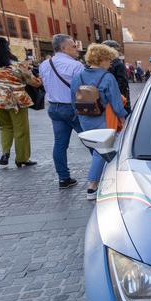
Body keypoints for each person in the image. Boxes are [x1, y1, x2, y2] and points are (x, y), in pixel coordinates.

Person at [71, 43, 129, 201]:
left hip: (84, 118)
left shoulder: (78, 77)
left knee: (97, 149)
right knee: (101, 150)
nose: (110, 63)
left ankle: (101, 177)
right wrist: (123, 120)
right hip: (103, 118)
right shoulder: (107, 77)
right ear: (101, 59)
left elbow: (73, 101)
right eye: (109, 59)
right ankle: (92, 186)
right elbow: (116, 103)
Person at [0, 37, 43, 167]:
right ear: (7, 48)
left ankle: (5, 152)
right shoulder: (16, 65)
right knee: (21, 130)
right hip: (16, 100)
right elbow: (34, 82)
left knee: (5, 127)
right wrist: (39, 78)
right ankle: (22, 158)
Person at [39, 34, 86, 188]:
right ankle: (101, 174)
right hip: (72, 107)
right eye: (73, 46)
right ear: (64, 48)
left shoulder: (44, 64)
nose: (77, 49)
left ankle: (63, 178)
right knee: (91, 140)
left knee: (60, 144)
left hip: (54, 107)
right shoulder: (76, 65)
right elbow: (83, 88)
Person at [102, 40, 131, 113]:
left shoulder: (106, 63)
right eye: (117, 50)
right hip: (119, 98)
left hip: (110, 98)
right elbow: (122, 83)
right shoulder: (117, 64)